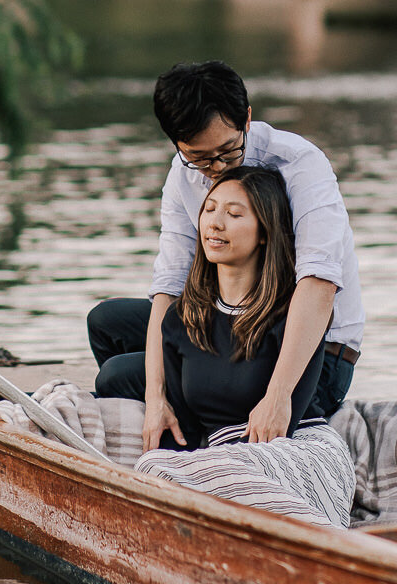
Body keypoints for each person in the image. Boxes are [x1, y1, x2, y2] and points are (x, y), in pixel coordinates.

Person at [87, 60, 364, 453]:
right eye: (200, 158)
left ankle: (200, 439)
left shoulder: (301, 165)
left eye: (227, 151)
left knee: (116, 376)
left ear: (247, 119)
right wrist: (155, 397)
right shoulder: (183, 172)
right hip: (228, 323)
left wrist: (278, 397)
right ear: (177, 144)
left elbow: (318, 283)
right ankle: (178, 423)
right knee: (108, 322)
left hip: (311, 350)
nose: (215, 169)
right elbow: (169, 285)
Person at [134, 166, 354, 528]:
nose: (215, 224)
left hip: (297, 453)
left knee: (155, 469)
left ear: (265, 232)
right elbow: (186, 436)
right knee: (155, 466)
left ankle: (335, 545)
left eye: (234, 214)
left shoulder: (292, 315)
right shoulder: (180, 320)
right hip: (221, 464)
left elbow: (285, 423)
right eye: (209, 210)